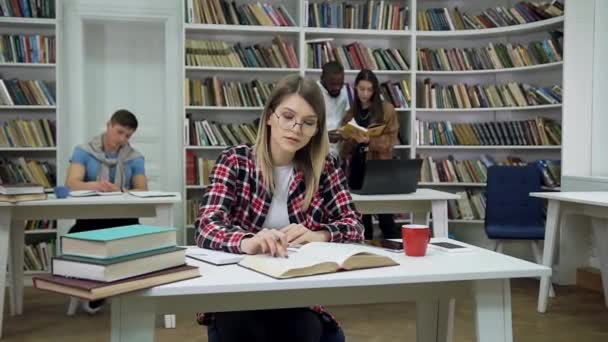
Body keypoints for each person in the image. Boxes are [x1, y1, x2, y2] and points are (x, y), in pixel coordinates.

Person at [195, 74, 364, 342]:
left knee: (303, 329)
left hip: (296, 292)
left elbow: (354, 225)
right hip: (239, 290)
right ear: (270, 116)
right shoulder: (235, 161)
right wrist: (247, 241)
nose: (296, 129)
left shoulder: (325, 167)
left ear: (316, 130)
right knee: (244, 326)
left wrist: (318, 234)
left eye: (308, 123)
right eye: (288, 116)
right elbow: (206, 225)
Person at [65, 109, 148, 313]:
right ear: (108, 125)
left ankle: (119, 290)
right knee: (78, 239)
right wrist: (94, 186)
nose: (122, 139)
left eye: (127, 136)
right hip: (89, 219)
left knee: (139, 241)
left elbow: (142, 190)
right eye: (119, 132)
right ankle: (96, 289)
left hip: (125, 220)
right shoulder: (83, 151)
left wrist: (119, 189)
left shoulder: (135, 157)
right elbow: (71, 183)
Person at [339, 69, 400, 240]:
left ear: (375, 90)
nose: (365, 94)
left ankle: (394, 251)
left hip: (378, 169)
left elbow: (390, 141)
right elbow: (344, 151)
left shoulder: (387, 110)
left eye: (369, 89)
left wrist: (369, 141)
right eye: (361, 89)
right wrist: (350, 138)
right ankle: (366, 255)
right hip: (357, 168)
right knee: (361, 220)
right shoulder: (351, 113)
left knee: (386, 219)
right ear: (355, 88)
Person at [317, 61, 350, 156]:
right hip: (318, 151)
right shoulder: (312, 93)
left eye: (340, 84)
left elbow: (346, 118)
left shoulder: (345, 92)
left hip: (339, 152)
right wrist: (323, 137)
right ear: (322, 78)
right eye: (332, 84)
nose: (337, 88)